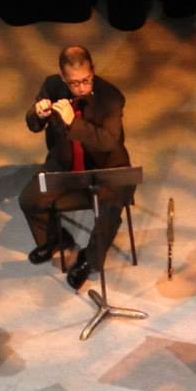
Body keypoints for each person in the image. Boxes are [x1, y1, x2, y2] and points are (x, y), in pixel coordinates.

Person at [20, 46, 134, 292]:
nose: (81, 88)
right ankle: (56, 239)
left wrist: (74, 122)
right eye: (74, 83)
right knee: (30, 200)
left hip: (106, 167)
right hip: (64, 165)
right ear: (63, 78)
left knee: (109, 211)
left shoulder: (111, 97)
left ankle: (88, 259)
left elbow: (108, 141)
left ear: (93, 71)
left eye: (86, 80)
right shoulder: (52, 86)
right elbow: (33, 124)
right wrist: (37, 114)